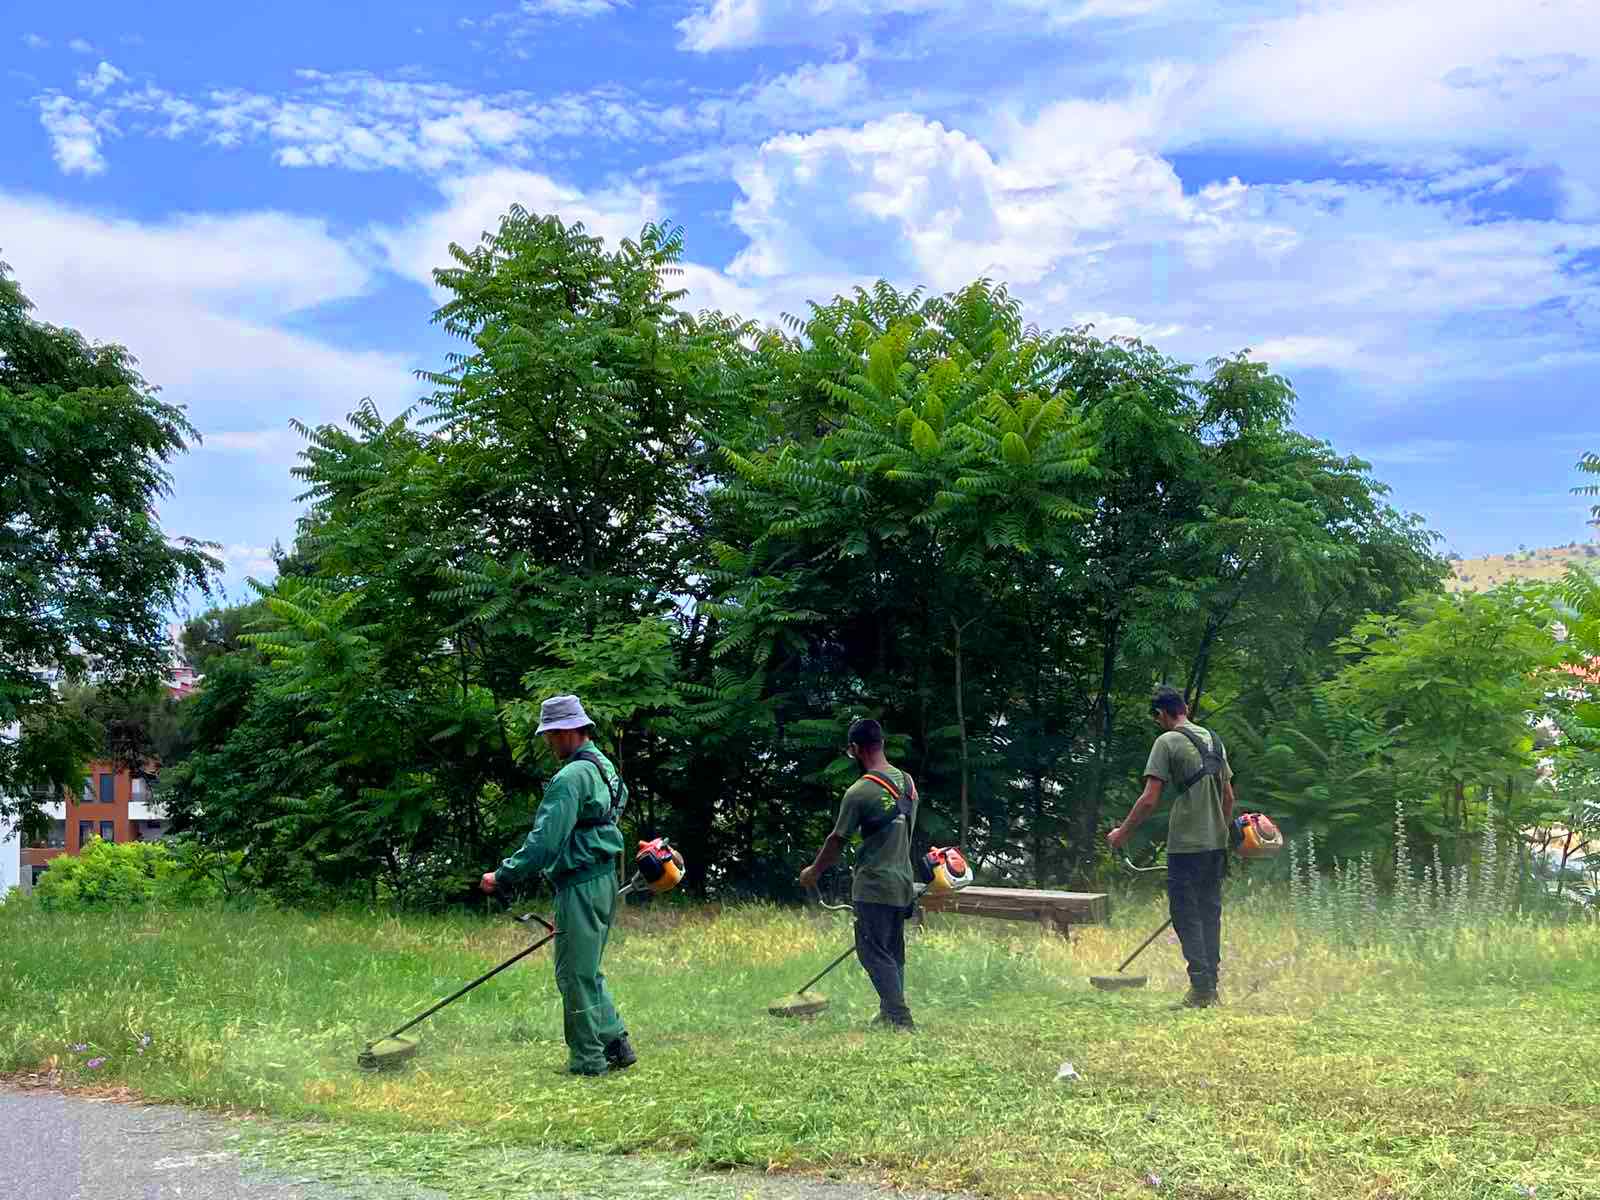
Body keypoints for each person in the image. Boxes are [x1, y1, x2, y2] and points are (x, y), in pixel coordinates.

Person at [480, 695, 635, 1076]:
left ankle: (588, 1060)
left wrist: (502, 875)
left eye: (550, 734)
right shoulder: (603, 767)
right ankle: (616, 1043)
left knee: (573, 974)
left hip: (581, 883)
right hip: (603, 878)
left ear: (568, 730)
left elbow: (544, 843)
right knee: (587, 969)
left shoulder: (570, 778)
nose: (548, 742)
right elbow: (618, 803)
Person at [1107, 685, 1236, 1008]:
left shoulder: (1166, 742)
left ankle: (1201, 989)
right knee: (1209, 913)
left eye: (1158, 718)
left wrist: (1122, 833)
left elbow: (1149, 799)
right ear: (1186, 708)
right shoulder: (1214, 740)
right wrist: (1219, 834)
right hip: (1215, 846)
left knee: (1185, 914)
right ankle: (1211, 986)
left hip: (1185, 845)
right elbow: (1229, 797)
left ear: (1161, 714)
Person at [799, 718, 920, 1030]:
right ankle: (889, 1011)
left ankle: (900, 1019)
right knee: (892, 951)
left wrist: (813, 872)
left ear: (854, 749)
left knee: (872, 953)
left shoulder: (859, 792)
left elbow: (836, 840)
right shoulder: (908, 784)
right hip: (903, 882)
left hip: (874, 884)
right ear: (882, 743)